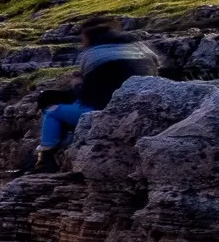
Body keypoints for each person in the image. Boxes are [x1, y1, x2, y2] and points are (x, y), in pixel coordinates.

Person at [35, 18, 159, 171]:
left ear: (88, 37)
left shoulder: (92, 54)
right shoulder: (140, 46)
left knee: (52, 111)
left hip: (108, 110)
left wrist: (76, 83)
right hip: (149, 102)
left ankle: (45, 158)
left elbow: (87, 91)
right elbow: (157, 66)